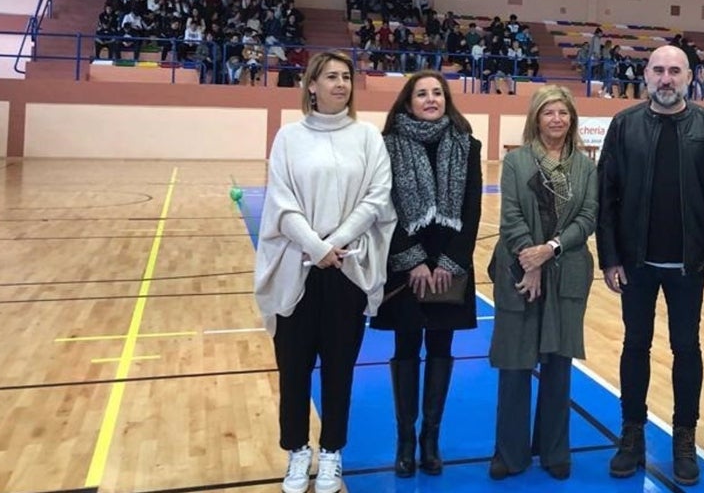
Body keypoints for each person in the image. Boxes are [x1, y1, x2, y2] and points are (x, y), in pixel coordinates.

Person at [253, 51, 396, 493]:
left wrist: (337, 243)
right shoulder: (288, 138)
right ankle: (297, 451)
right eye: (330, 76)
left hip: (347, 271)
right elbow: (281, 201)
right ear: (310, 85)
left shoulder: (368, 137)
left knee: (340, 368)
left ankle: (332, 451)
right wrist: (316, 246)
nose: (340, 84)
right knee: (293, 367)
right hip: (297, 269)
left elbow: (377, 196)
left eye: (346, 77)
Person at [597, 44, 704, 486]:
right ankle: (632, 433)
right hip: (636, 264)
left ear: (690, 77)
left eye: (675, 71)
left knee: (686, 349)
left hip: (690, 266)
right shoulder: (625, 125)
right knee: (635, 347)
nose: (666, 78)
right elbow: (606, 197)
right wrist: (610, 257)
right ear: (646, 75)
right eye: (658, 70)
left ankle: (683, 438)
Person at [370, 72, 483, 478]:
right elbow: (383, 206)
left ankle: (430, 439)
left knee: (440, 348)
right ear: (407, 102)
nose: (431, 99)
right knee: (405, 349)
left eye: (438, 92)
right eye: (422, 93)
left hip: (449, 263)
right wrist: (412, 258)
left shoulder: (467, 146)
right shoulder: (386, 146)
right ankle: (404, 440)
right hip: (405, 266)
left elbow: (471, 211)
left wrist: (451, 264)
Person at [488, 85, 597, 481]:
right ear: (536, 117)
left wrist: (550, 249)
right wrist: (529, 260)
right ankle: (509, 452)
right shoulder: (517, 162)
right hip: (518, 272)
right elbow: (511, 215)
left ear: (572, 120)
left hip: (566, 271)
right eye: (548, 112)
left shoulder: (585, 168)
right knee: (515, 364)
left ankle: (554, 450)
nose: (556, 119)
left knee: (558, 363)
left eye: (563, 113)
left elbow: (587, 218)